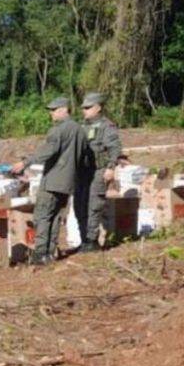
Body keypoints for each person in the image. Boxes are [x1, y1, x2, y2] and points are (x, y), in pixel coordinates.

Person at [11, 97, 89, 265]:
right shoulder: (80, 130)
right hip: (68, 182)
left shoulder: (58, 130)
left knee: (42, 216)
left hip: (53, 180)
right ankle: (50, 253)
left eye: (53, 110)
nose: (50, 113)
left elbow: (48, 151)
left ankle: (40, 254)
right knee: (55, 218)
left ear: (63, 110)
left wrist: (25, 163)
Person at [76, 92, 122, 252]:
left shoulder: (106, 126)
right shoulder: (83, 126)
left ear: (98, 108)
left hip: (98, 170)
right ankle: (84, 239)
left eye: (88, 107)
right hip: (83, 172)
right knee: (80, 205)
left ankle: (92, 240)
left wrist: (111, 167)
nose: (84, 110)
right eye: (83, 108)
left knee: (94, 205)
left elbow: (114, 148)